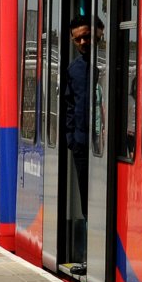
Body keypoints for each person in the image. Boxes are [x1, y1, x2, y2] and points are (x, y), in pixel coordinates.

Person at [60, 20, 90, 266]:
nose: (82, 43)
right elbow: (69, 107)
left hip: (105, 146)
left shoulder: (109, 64)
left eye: (86, 36)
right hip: (81, 145)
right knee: (86, 198)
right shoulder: (74, 69)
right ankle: (89, 254)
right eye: (77, 39)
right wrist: (72, 140)